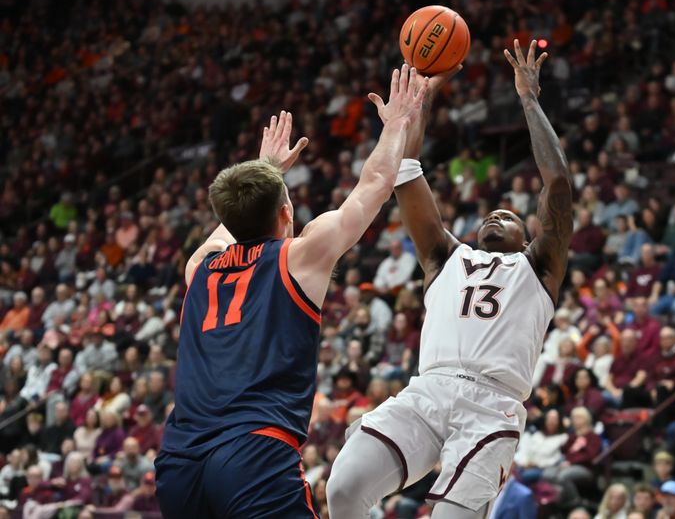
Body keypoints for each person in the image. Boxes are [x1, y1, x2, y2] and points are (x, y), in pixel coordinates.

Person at [156, 66, 427, 519]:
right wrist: (398, 122)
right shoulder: (299, 256)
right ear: (286, 210)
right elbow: (374, 186)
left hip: (179, 464)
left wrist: (265, 171)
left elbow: (232, 224)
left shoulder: (199, 269)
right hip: (252, 455)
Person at [328, 41, 572, 519]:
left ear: (528, 236)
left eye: (510, 214)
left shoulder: (538, 266)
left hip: (492, 405)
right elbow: (406, 171)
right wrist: (418, 106)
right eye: (491, 212)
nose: (498, 212)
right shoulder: (445, 257)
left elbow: (558, 184)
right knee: (343, 488)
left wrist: (528, 99)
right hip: (428, 391)